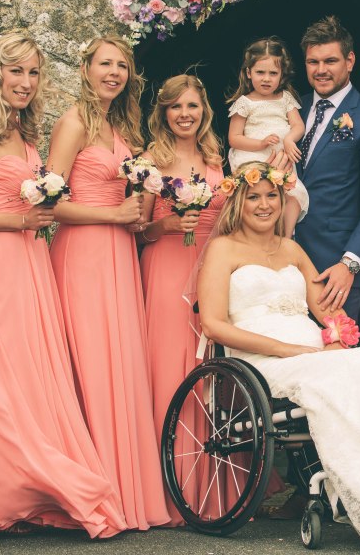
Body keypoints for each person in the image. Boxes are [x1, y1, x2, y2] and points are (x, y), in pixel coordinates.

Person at [197, 161, 360, 546]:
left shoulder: (291, 249)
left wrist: (335, 337)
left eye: (272, 196)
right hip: (261, 361)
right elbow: (214, 324)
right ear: (239, 201)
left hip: (313, 353)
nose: (264, 205)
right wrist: (288, 350)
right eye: (254, 197)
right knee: (333, 374)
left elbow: (327, 311)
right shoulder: (223, 249)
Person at [0, 32, 125, 540]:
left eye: (34, 73)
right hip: (0, 263)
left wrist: (35, 222)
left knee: (37, 377)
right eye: (16, 71)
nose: (25, 82)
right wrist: (18, 223)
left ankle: (29, 495)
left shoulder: (23, 136)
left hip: (33, 263)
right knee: (4, 381)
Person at [47, 36, 171, 530]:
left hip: (119, 252)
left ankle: (124, 491)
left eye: (122, 65)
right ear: (86, 67)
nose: (114, 72)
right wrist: (112, 213)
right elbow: (48, 203)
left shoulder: (121, 126)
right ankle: (90, 489)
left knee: (120, 361)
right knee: (93, 362)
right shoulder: (73, 121)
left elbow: (127, 204)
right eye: (106, 64)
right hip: (83, 254)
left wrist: (136, 215)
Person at [138, 74, 226, 523]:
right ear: (164, 113)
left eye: (192, 106)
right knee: (171, 368)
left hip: (209, 269)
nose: (185, 114)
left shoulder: (216, 156)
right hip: (166, 267)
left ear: (203, 110)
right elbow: (138, 227)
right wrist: (167, 226)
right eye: (176, 107)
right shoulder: (152, 159)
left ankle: (213, 486)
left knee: (209, 369)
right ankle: (171, 488)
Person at [289, 16, 360, 319]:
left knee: (335, 362)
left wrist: (350, 264)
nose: (321, 70)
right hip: (280, 267)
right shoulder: (290, 107)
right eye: (313, 62)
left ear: (349, 61)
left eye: (330, 61)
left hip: (334, 271)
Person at [227, 37, 309, 235]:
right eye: (260, 72)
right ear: (249, 73)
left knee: (294, 194)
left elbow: (298, 126)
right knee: (258, 198)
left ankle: (286, 237)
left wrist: (289, 139)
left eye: (273, 73)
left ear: (282, 75)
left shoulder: (285, 99)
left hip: (282, 160)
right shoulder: (244, 103)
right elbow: (234, 137)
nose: (266, 78)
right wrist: (261, 143)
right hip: (253, 158)